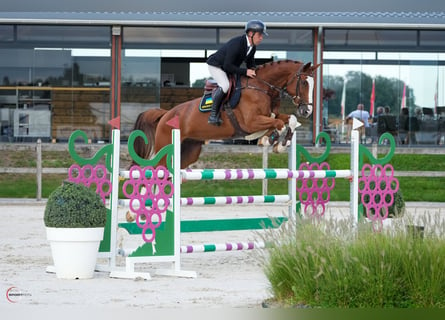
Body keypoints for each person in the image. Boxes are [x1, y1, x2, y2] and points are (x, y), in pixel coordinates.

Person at [206, 20, 268, 125]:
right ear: (250, 34)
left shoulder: (252, 47)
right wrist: (245, 71)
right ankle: (213, 115)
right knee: (225, 85)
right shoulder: (236, 44)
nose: (261, 38)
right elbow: (227, 65)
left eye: (262, 35)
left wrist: (256, 71)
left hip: (228, 67)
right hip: (216, 66)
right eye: (259, 35)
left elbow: (250, 62)